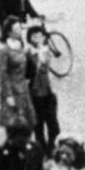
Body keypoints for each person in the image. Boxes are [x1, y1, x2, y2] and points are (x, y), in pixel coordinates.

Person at [0, 16, 36, 132]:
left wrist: (29, 53)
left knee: (28, 123)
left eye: (20, 28)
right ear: (9, 32)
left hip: (23, 88)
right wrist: (8, 95)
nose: (20, 31)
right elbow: (3, 74)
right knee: (15, 125)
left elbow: (30, 67)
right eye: (17, 29)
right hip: (13, 90)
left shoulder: (21, 46)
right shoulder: (3, 50)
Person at [27, 25, 61, 154]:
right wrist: (40, 58)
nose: (38, 39)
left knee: (53, 124)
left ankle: (52, 148)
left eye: (40, 36)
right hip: (35, 92)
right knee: (38, 126)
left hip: (47, 91)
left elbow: (45, 69)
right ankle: (43, 151)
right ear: (30, 38)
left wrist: (43, 56)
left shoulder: (45, 51)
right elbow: (34, 71)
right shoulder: (28, 53)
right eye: (34, 36)